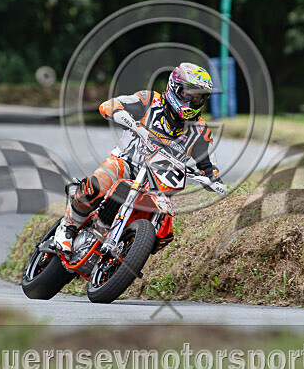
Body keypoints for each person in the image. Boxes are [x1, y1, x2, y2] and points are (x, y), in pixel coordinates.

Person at [54, 62, 221, 252]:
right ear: (175, 87)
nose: (192, 101)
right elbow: (110, 105)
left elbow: (208, 163)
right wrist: (120, 114)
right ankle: (67, 227)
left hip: (158, 182)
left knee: (164, 231)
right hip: (126, 162)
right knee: (100, 183)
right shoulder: (149, 100)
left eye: (198, 98)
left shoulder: (200, 130)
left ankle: (129, 249)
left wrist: (212, 178)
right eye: (188, 94)